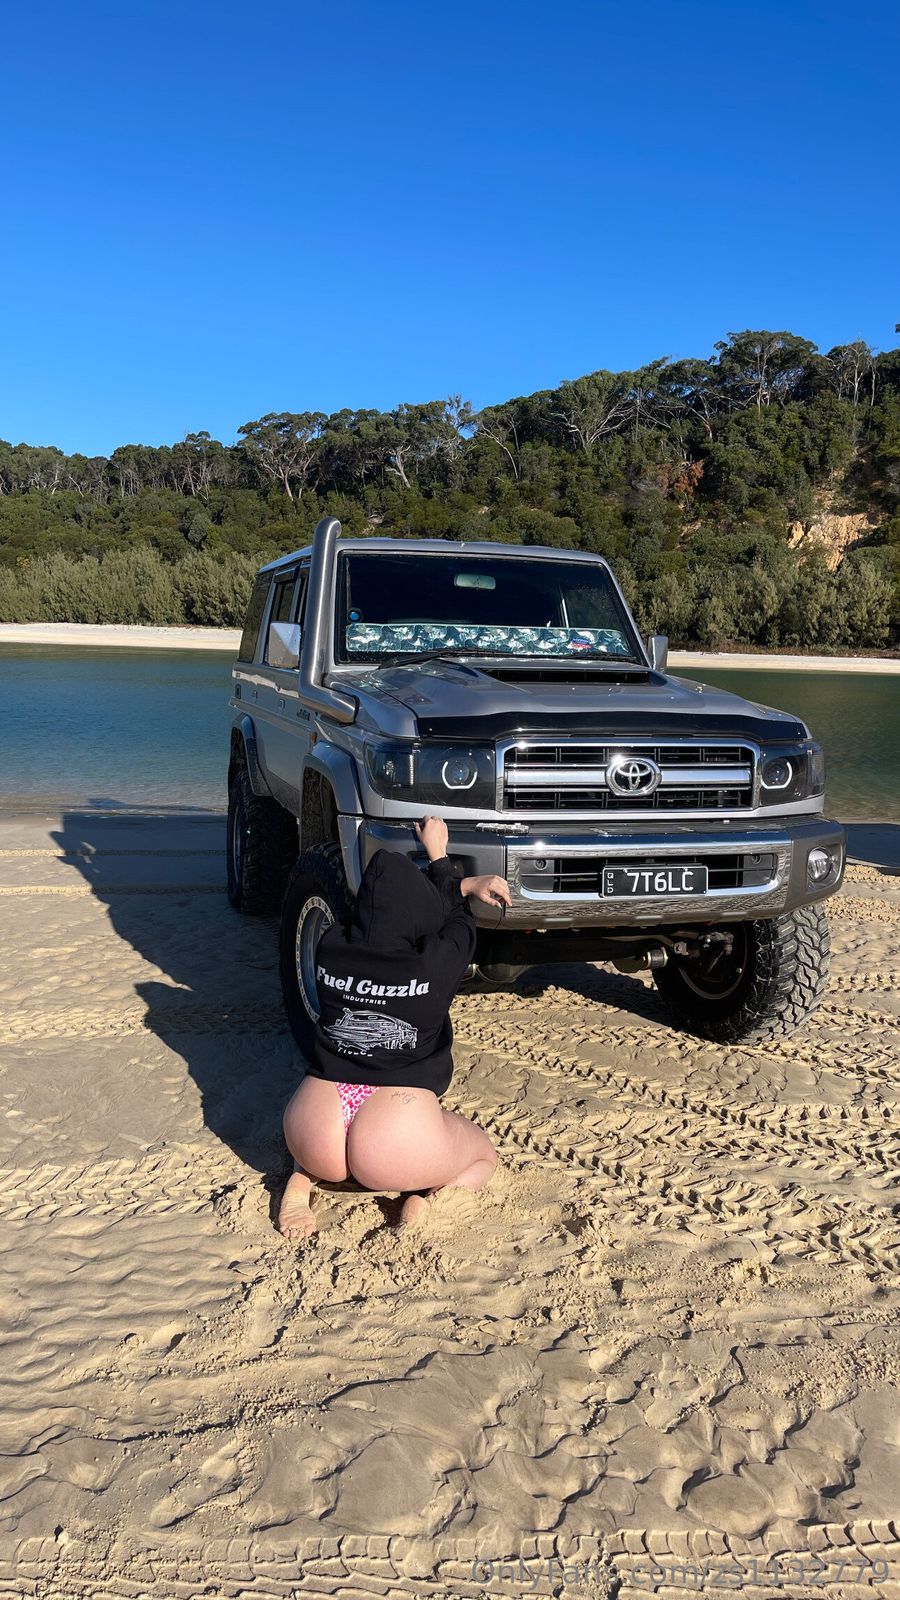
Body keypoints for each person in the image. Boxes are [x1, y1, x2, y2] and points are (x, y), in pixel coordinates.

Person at [278, 816, 511, 1238]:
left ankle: (303, 1177)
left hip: (316, 1119)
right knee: (482, 1156)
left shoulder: (329, 946)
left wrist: (448, 885)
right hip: (394, 1132)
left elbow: (377, 914)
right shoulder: (433, 964)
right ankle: (429, 1197)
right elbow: (457, 922)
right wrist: (440, 858)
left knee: (314, 1153)